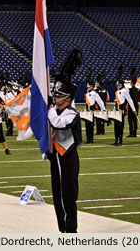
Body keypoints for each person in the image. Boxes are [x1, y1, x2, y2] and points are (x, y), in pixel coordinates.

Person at [46, 48, 82, 233]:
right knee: (57, 195)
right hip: (56, 158)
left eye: (59, 95)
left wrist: (50, 108)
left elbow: (59, 124)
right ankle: (62, 228)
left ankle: (70, 230)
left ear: (67, 99)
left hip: (68, 158)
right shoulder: (58, 111)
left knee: (68, 196)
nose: (55, 97)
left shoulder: (71, 113)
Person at [113, 66, 137, 146]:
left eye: (119, 85)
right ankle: (116, 140)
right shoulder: (118, 91)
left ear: (122, 85)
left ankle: (120, 141)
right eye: (117, 85)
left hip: (121, 109)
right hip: (116, 110)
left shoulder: (125, 91)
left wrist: (134, 110)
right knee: (116, 126)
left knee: (120, 125)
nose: (117, 86)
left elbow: (130, 101)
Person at [84, 79, 105, 144]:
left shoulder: (94, 93)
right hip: (87, 111)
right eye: (88, 87)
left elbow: (100, 101)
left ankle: (91, 140)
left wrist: (103, 109)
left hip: (91, 110)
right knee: (87, 125)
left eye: (89, 87)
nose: (88, 88)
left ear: (93, 87)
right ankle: (88, 139)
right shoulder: (87, 93)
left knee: (90, 125)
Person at [127, 67, 140, 138]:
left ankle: (131, 133)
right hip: (136, 105)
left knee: (130, 120)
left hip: (130, 106)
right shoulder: (138, 90)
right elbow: (139, 97)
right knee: (135, 120)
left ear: (131, 83)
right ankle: (134, 133)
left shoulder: (129, 90)